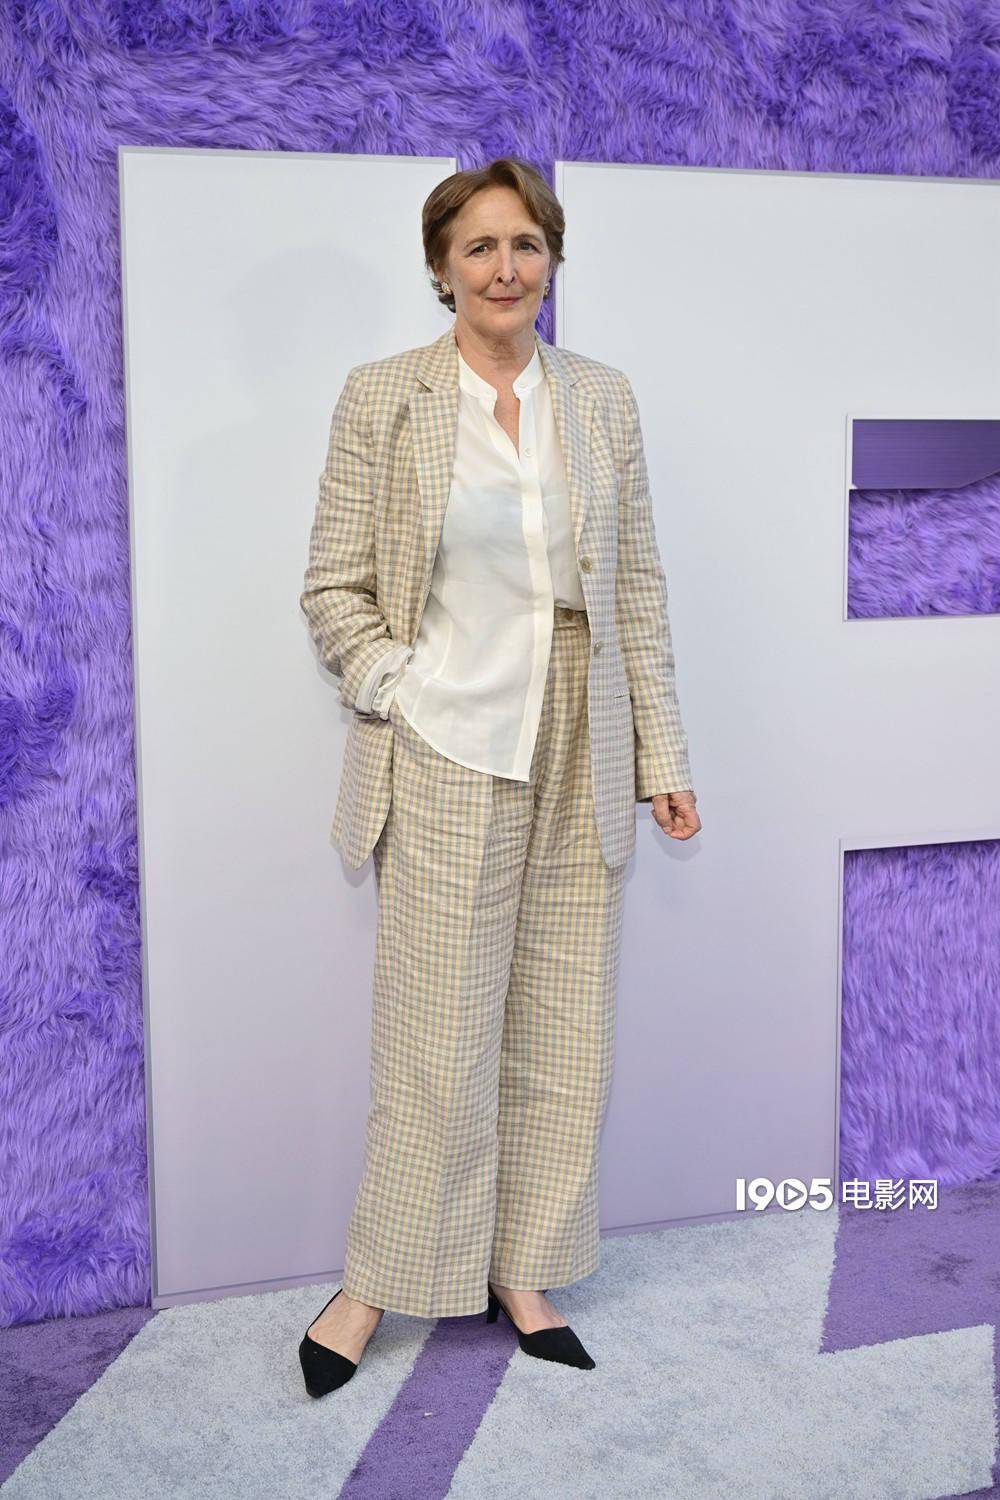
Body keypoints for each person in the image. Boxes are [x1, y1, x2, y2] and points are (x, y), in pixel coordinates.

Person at [297, 156, 702, 1398]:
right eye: (478, 246)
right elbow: (333, 589)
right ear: (440, 267)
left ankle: (527, 1271)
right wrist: (403, 690)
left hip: (584, 736)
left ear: (552, 260)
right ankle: (375, 1284)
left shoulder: (603, 398)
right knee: (438, 1037)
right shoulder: (384, 396)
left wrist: (660, 755)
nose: (505, 268)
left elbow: (635, 589)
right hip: (448, 744)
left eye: (525, 244)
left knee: (565, 1028)